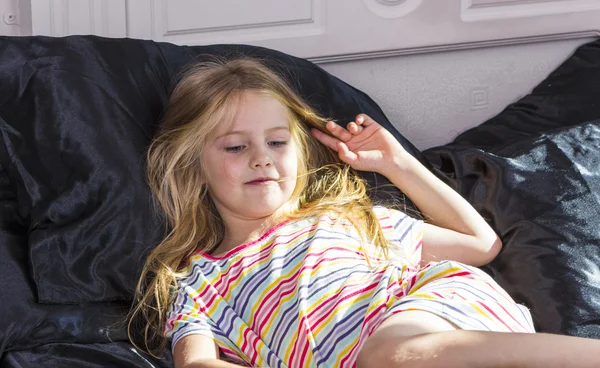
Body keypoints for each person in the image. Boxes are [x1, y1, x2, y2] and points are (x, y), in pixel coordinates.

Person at [128, 58, 600, 368]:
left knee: (392, 356)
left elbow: (482, 245)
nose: (261, 157)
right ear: (191, 163)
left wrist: (398, 163)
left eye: (276, 141)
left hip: (438, 318)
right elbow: (198, 364)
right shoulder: (195, 282)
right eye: (235, 146)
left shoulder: (343, 219)